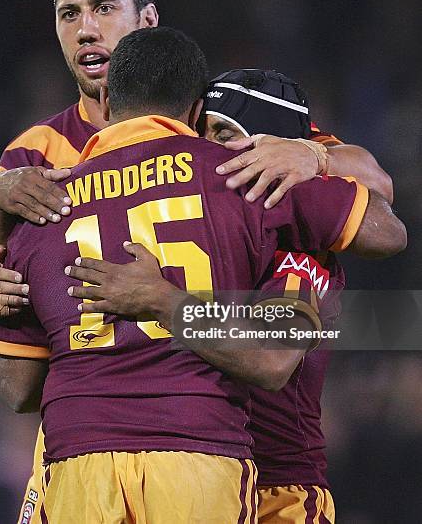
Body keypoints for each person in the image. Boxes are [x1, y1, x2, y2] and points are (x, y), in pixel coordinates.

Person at [0, 0, 394, 524]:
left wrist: (308, 154)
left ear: (147, 22)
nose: (87, 29)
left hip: (243, 458)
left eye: (104, 7)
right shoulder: (30, 157)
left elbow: (374, 188)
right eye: (69, 14)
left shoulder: (229, 120)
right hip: (117, 456)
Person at [75, 69, 346, 523]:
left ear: (272, 147)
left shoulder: (299, 247)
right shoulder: (203, 228)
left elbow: (271, 358)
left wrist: (162, 301)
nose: (203, 149)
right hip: (187, 473)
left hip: (279, 494)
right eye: (201, 132)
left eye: (223, 134)